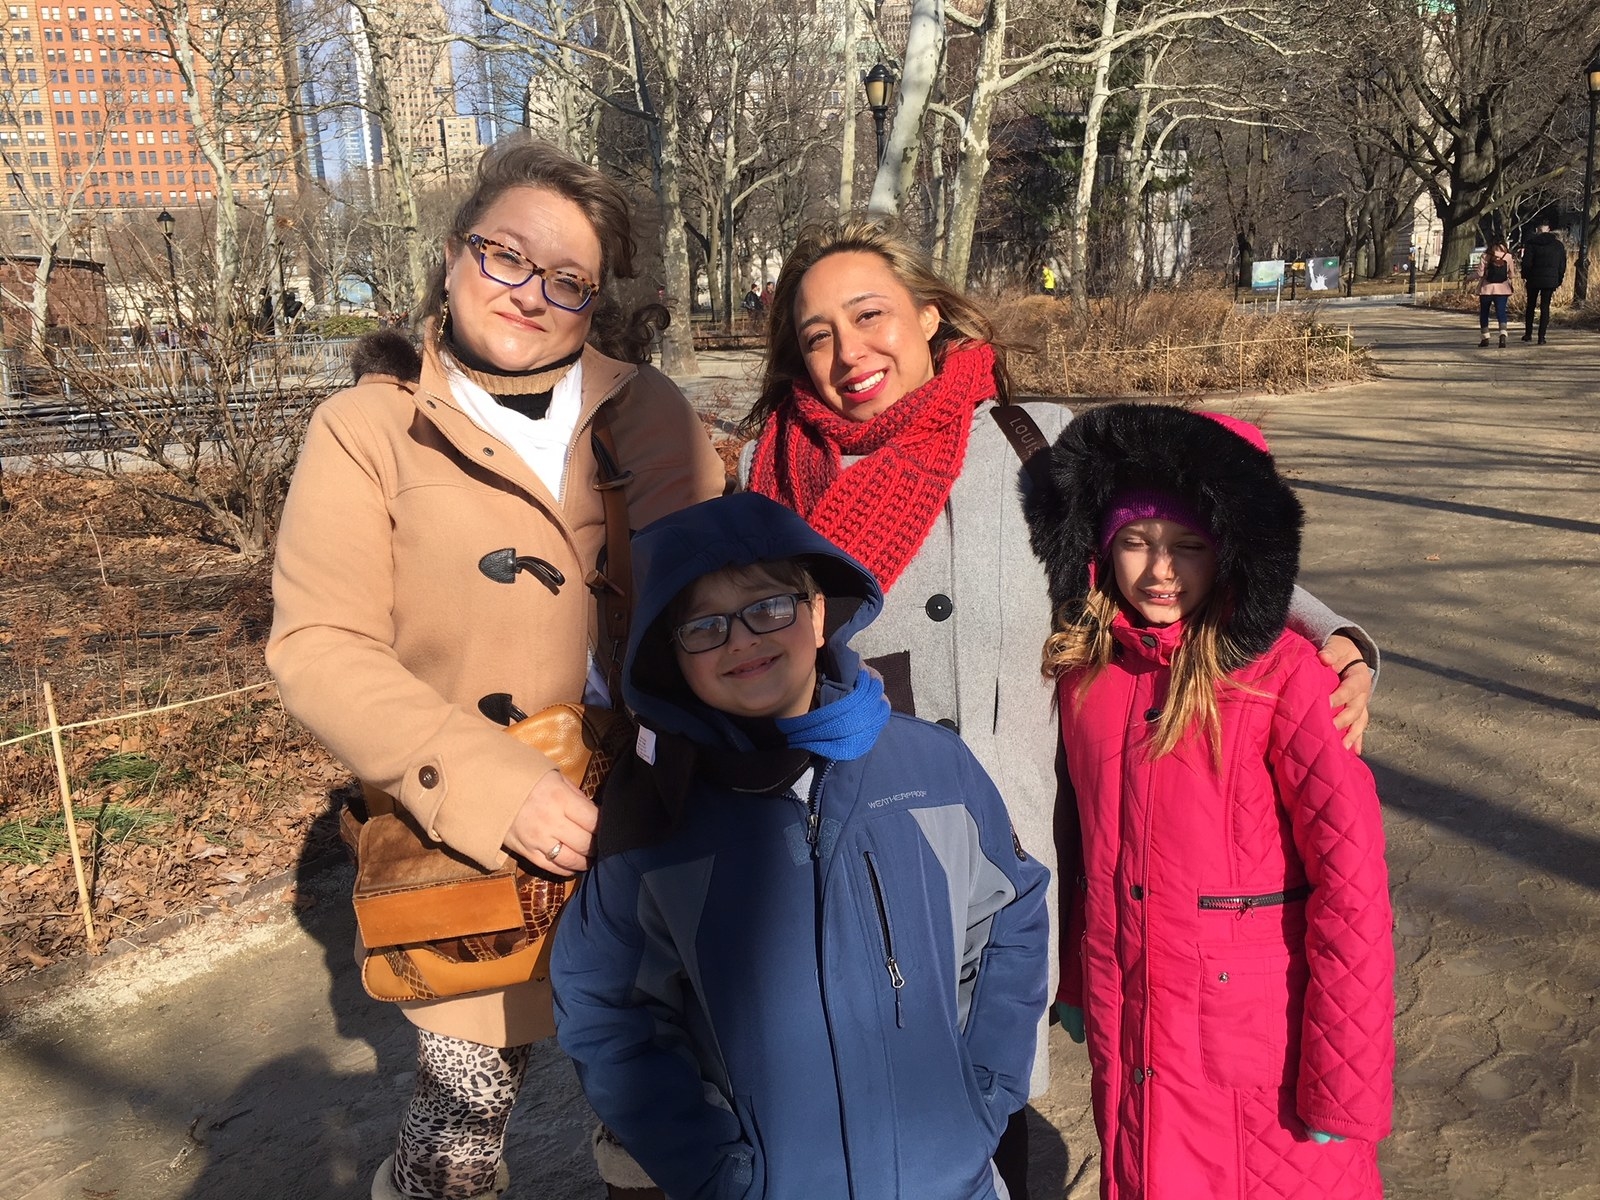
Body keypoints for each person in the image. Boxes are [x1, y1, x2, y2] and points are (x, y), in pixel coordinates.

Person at [737, 215, 1379, 1199]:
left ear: (928, 314)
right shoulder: (769, 483)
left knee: (998, 1114)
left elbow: (1197, 533)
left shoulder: (1035, 443)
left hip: (1028, 863)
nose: (845, 351)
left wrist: (1328, 632)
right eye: (813, 332)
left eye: (868, 314)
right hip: (859, 877)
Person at [266, 136, 725, 1200]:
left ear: (597, 300)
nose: (529, 293)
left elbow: (709, 597)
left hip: (654, 827)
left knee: (664, 1125)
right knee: (455, 1150)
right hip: (473, 849)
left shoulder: (648, 412)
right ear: (452, 255)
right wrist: (492, 785)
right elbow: (318, 646)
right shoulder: (366, 430)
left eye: (567, 279)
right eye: (504, 255)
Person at [551, 491, 1049, 1200]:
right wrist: (712, 1167)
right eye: (705, 627)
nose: (743, 640)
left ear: (817, 615)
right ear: (671, 654)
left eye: (769, 608)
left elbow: (1011, 915)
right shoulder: (654, 819)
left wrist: (986, 1090)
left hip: (951, 1177)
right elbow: (603, 1005)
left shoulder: (934, 768)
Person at [1023, 403, 1395, 1200]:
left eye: (1188, 546)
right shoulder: (1088, 677)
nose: (1160, 572)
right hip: (1135, 1034)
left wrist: (1344, 1081)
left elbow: (1353, 889)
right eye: (1136, 542)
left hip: (1264, 1056)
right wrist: (1082, 982)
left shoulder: (1289, 681)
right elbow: (1091, 848)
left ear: (1230, 552)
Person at [1520, 221, 1566, 344]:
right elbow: (1562, 265)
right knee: (1545, 307)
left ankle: (1528, 334)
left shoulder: (1531, 244)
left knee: (1530, 306)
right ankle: (1541, 337)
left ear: (1537, 230)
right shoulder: (1558, 245)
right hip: (1550, 280)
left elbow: (1526, 263)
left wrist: (1525, 275)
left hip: (1533, 279)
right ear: (1549, 229)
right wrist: (1559, 279)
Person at [1475, 240, 1515, 347]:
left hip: (1486, 289)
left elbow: (1480, 273)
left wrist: (1469, 278)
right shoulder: (1508, 257)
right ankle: (1502, 336)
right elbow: (1511, 275)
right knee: (1501, 312)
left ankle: (1485, 338)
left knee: (1484, 313)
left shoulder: (1485, 256)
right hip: (1503, 289)